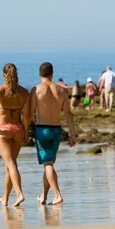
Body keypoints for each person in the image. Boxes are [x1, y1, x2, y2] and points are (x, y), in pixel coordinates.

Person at [29, 62, 77, 205]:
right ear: (52, 74)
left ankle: (57, 195)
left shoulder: (36, 90)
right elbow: (68, 113)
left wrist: (25, 128)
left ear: (39, 74)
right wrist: (72, 134)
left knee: (48, 164)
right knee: (48, 164)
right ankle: (44, 196)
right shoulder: (62, 90)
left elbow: (30, 112)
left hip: (42, 129)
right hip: (57, 130)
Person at [0, 63, 30, 207]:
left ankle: (19, 194)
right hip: (18, 129)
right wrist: (25, 130)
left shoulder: (0, 89)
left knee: (11, 163)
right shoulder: (24, 92)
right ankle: (5, 198)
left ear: (3, 75)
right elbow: (27, 114)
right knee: (10, 165)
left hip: (4, 129)